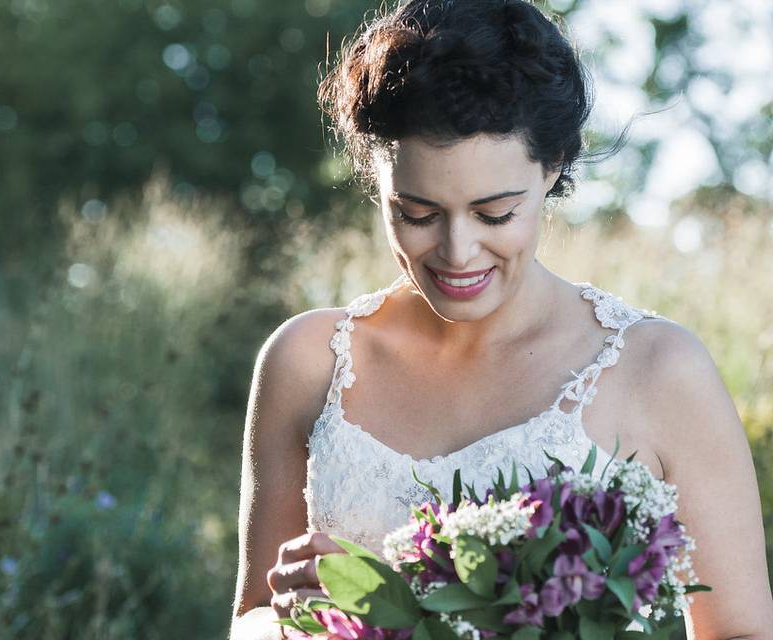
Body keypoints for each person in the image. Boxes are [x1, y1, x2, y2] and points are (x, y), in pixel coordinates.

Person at [229, 0, 773, 638]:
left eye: (494, 213)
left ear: (553, 169)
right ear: (375, 180)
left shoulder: (658, 370)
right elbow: (250, 620)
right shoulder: (307, 360)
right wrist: (308, 617)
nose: (457, 252)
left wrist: (399, 608)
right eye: (418, 213)